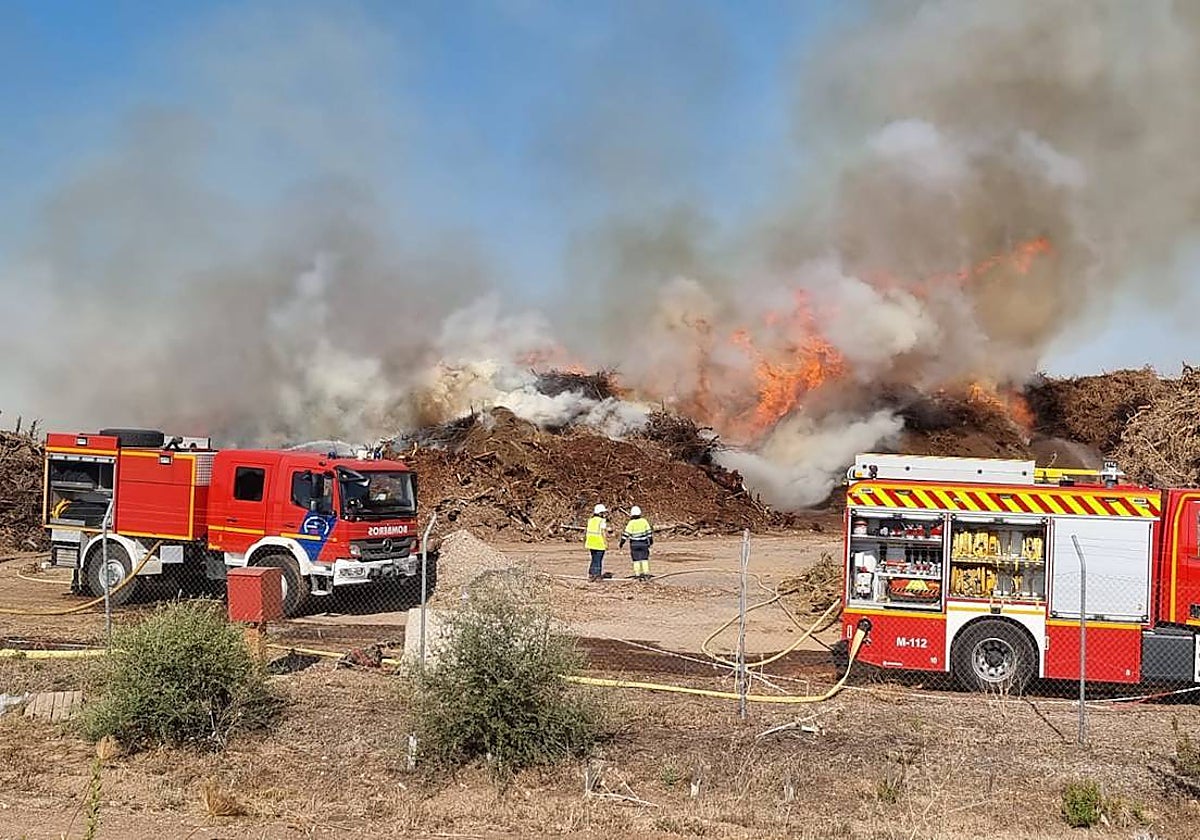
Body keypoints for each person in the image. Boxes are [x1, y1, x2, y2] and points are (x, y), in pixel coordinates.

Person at [620, 505, 654, 580]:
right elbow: (649, 532)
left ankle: (637, 574)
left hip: (634, 543)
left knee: (636, 559)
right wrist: (651, 540)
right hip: (644, 543)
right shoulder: (644, 521)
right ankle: (646, 573)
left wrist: (622, 542)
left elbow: (626, 534)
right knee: (644, 558)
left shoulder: (631, 523)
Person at [585, 504, 609, 582]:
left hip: (591, 543)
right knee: (598, 560)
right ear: (600, 513)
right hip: (599, 543)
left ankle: (591, 574)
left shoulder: (590, 520)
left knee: (593, 559)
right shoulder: (602, 521)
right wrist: (606, 542)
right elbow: (603, 532)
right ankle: (597, 575)